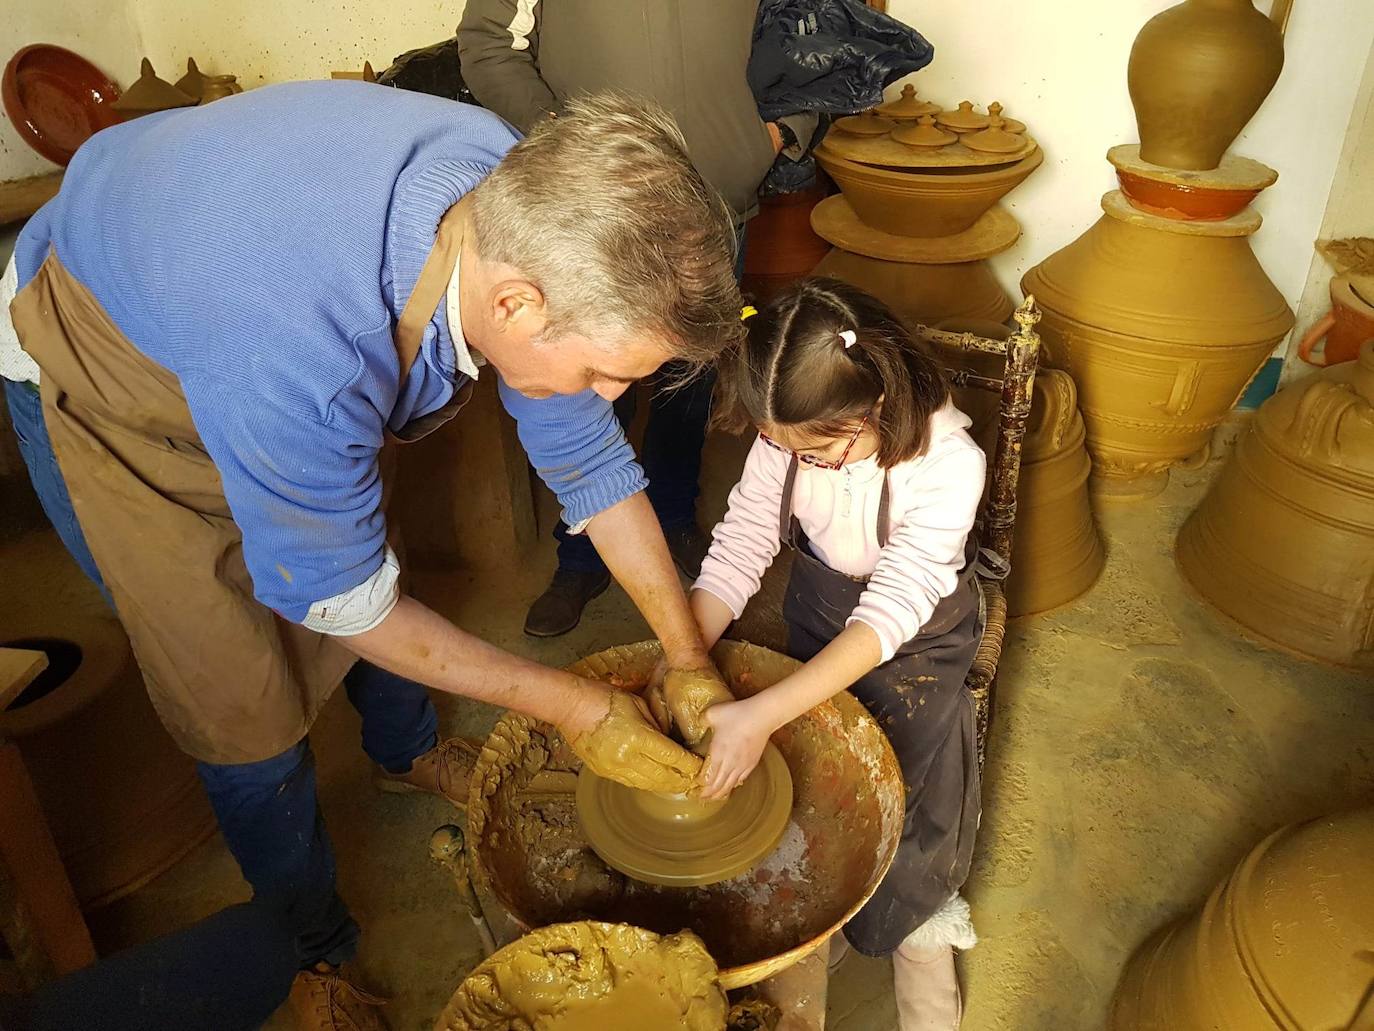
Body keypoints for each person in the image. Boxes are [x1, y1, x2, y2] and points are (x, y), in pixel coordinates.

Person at [0, 84, 737, 1031]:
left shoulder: (524, 200)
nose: (602, 394)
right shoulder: (306, 349)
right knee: (235, 696)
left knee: (362, 543)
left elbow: (587, 458)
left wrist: (686, 656)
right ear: (514, 302)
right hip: (115, 372)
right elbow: (342, 596)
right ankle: (310, 950)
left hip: (232, 300)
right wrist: (575, 707)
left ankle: (406, 754)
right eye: (602, 372)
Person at [457, 0, 818, 637]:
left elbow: (812, 23)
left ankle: (674, 516)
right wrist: (569, 146)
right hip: (595, 216)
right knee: (587, 385)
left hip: (714, 205)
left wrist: (778, 133)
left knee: (691, 379)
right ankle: (581, 554)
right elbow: (487, 42)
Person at [689, 279, 987, 1029]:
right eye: (788, 449)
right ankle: (830, 901)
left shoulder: (948, 462)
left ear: (874, 406)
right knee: (812, 772)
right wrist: (683, 657)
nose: (803, 464)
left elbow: (891, 609)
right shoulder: (788, 440)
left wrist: (760, 712)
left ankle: (919, 930)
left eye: (819, 453)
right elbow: (742, 543)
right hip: (821, 612)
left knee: (906, 781)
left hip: (919, 639)